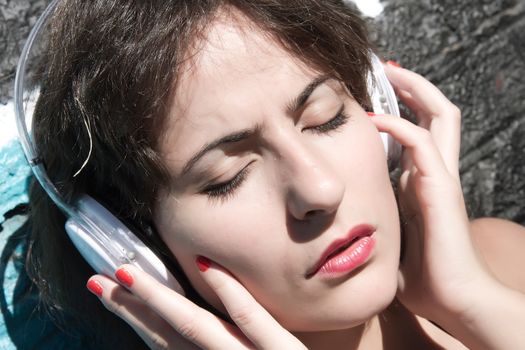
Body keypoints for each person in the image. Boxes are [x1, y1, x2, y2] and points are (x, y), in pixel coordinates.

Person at [26, 0, 525, 349]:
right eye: (227, 176)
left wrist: (473, 304)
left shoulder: (503, 262)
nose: (320, 190)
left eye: (325, 117)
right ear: (136, 247)